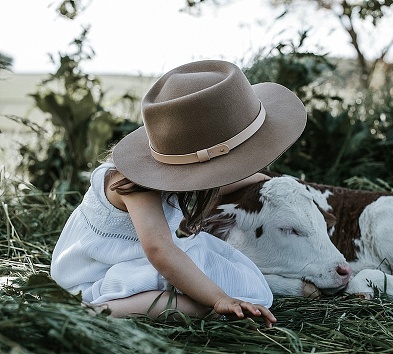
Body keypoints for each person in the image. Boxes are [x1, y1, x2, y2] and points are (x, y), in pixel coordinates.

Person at [50, 60, 308, 326]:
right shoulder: (134, 185)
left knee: (232, 282)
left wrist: (269, 180)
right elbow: (159, 250)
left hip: (141, 258)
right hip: (99, 271)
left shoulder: (173, 171)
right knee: (196, 306)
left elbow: (219, 182)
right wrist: (219, 298)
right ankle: (94, 312)